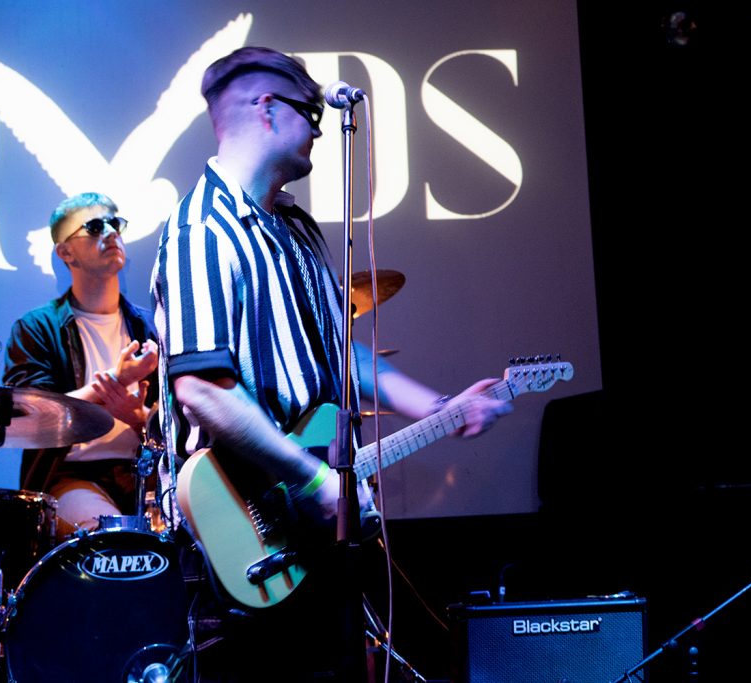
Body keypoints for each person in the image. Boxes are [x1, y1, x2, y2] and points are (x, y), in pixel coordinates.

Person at [150, 47, 512, 681]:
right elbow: (202, 391)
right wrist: (313, 478)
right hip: (243, 531)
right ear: (266, 108)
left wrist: (443, 409)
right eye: (310, 112)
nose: (319, 129)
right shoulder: (201, 231)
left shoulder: (295, 225)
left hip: (316, 532)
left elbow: (339, 353)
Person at [3, 192, 159, 537]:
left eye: (115, 223)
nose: (111, 233)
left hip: (149, 473)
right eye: (95, 226)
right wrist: (115, 380)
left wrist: (140, 419)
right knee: (111, 540)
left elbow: (183, 416)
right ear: (65, 252)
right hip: (73, 475)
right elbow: (31, 414)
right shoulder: (37, 327)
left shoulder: (153, 326)